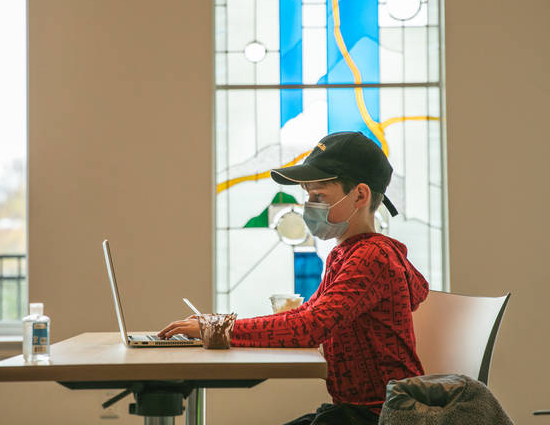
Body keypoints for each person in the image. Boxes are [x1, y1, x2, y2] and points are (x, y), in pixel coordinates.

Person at [159, 131, 429, 425]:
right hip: (358, 412)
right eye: (308, 196)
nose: (308, 206)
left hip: (383, 416)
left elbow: (309, 328)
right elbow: (306, 314)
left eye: (319, 196)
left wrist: (218, 330)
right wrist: (215, 322)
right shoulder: (347, 254)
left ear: (360, 195)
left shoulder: (372, 257)